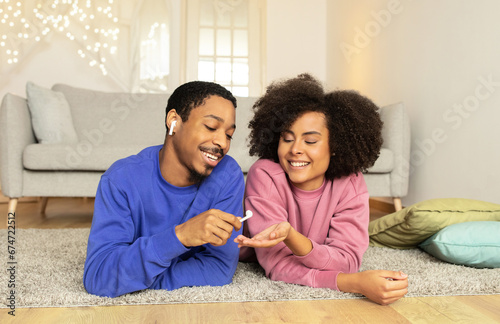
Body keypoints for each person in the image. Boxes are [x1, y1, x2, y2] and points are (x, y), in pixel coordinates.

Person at [234, 74, 408, 305]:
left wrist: (292, 238)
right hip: (248, 256)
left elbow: (347, 261)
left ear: (335, 146)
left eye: (310, 141)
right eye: (287, 139)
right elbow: (277, 264)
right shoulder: (265, 174)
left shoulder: (350, 182)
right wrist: (352, 283)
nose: (295, 149)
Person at [83, 81, 245, 298]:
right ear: (174, 121)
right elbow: (99, 276)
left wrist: (136, 279)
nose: (222, 142)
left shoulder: (227, 175)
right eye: (211, 127)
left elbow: (219, 268)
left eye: (229, 134)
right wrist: (180, 236)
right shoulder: (120, 180)